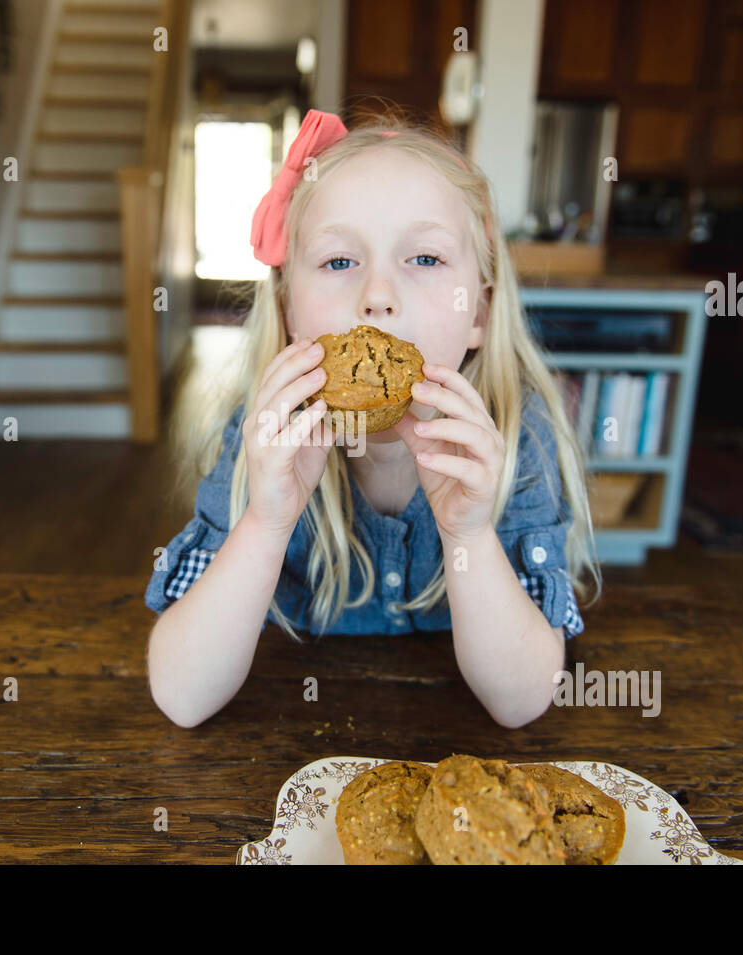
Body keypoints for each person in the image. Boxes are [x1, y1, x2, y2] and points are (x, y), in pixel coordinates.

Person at [145, 108, 600, 728]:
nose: (378, 294)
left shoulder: (517, 437)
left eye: (426, 259)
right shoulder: (263, 437)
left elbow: (521, 703)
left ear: (479, 313)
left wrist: (468, 534)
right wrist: (266, 519)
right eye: (338, 262)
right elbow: (182, 696)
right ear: (290, 317)